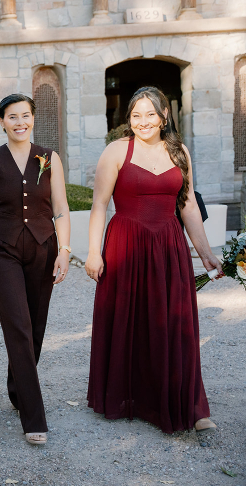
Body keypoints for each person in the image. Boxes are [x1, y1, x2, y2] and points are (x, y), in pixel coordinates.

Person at [85, 86, 222, 434]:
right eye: (136, 115)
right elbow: (100, 203)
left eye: (150, 114)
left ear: (164, 117)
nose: (143, 121)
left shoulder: (179, 152)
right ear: (128, 120)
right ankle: (130, 397)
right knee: (130, 320)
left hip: (169, 245)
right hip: (126, 244)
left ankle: (191, 404)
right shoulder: (116, 151)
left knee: (175, 323)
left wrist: (206, 254)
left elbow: (187, 204)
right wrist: (93, 252)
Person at [0, 93, 71, 446]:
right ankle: (33, 415)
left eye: (25, 115)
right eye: (12, 117)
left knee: (37, 326)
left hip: (44, 249)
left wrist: (65, 250)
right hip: (1, 252)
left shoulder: (49, 158)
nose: (20, 122)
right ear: (1, 121)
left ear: (32, 119)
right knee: (17, 325)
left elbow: (60, 209)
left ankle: (17, 388)